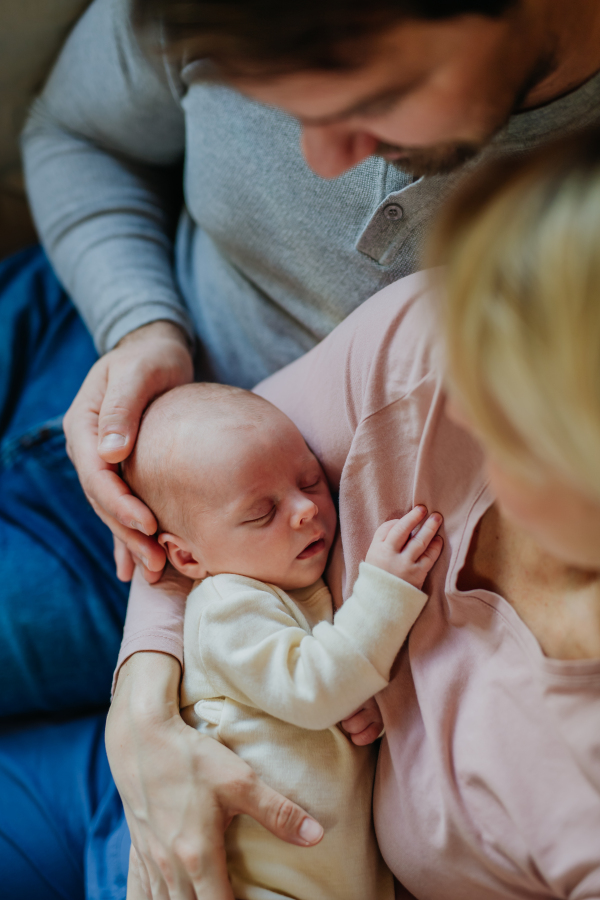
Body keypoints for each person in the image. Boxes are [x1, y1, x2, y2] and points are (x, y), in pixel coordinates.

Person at [2, 128, 600, 899]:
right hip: (145, 737)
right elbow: (207, 495)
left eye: (506, 393)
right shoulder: (446, 337)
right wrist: (141, 708)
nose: (463, 392)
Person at [5, 0, 600, 716]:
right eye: (273, 104)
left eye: (373, 97)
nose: (320, 161)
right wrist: (139, 325)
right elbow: (75, 132)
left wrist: (159, 649)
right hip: (68, 324)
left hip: (248, 571)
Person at [122, 381, 443, 899]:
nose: (305, 510)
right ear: (187, 558)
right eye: (261, 513)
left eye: (310, 480)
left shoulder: (292, 588)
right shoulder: (225, 606)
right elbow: (315, 687)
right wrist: (387, 590)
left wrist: (369, 708)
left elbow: (321, 695)